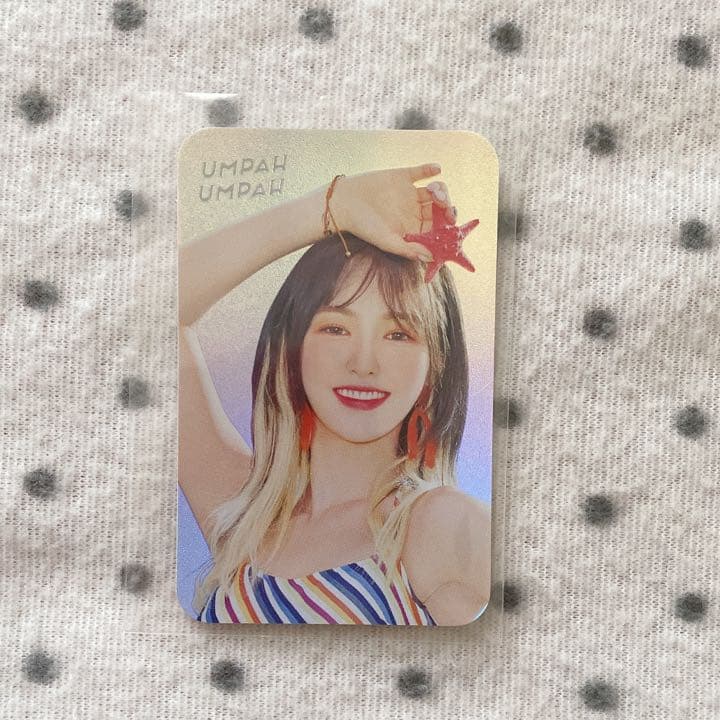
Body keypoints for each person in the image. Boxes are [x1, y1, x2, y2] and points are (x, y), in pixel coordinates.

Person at [178, 163, 491, 626]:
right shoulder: (245, 512)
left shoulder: (440, 524)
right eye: (336, 328)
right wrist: (333, 206)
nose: (363, 363)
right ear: (293, 348)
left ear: (435, 365)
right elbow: (150, 304)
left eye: (398, 334)